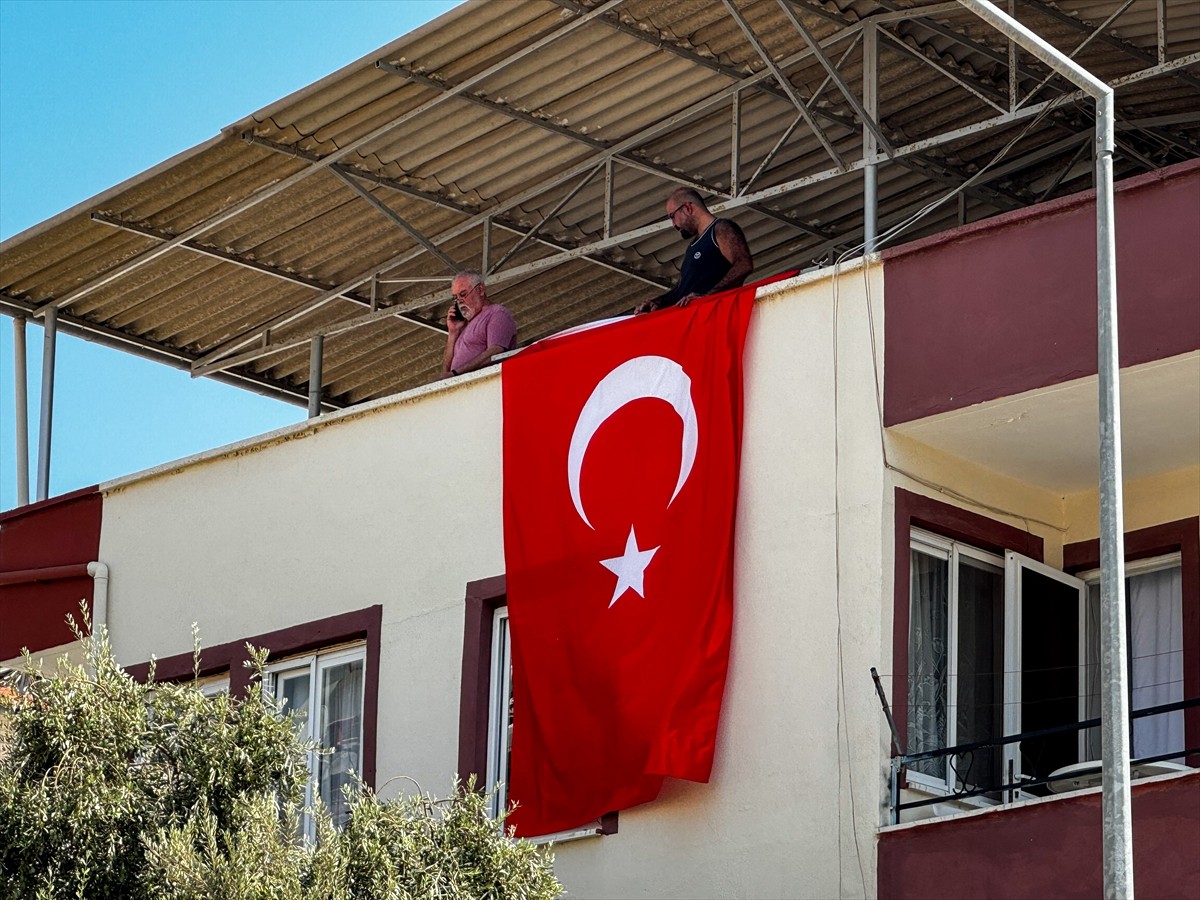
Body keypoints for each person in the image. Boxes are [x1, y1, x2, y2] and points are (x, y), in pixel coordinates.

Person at [635, 187, 753, 313]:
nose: (673, 224)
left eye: (672, 216)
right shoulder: (692, 246)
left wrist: (708, 297)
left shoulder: (721, 228)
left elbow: (743, 265)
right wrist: (657, 302)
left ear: (687, 208)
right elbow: (681, 290)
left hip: (717, 313)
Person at [441, 270, 518, 378]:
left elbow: (495, 353)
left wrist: (456, 373)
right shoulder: (464, 326)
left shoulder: (497, 313)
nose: (459, 301)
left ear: (480, 290)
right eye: (455, 298)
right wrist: (453, 333)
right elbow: (446, 371)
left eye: (463, 294)